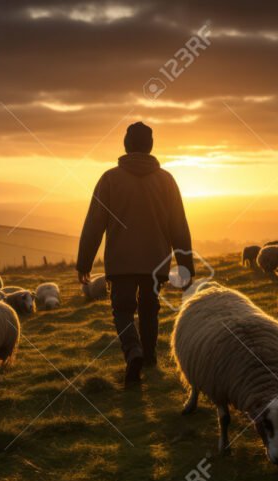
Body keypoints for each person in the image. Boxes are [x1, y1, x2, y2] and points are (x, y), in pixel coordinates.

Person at [76, 121, 194, 385]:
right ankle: (149, 358)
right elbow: (179, 225)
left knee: (123, 309)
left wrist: (84, 262)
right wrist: (185, 265)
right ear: (150, 147)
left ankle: (133, 352)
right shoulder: (166, 180)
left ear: (126, 147)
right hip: (156, 261)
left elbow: (94, 223)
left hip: (121, 262)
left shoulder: (110, 179)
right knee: (150, 309)